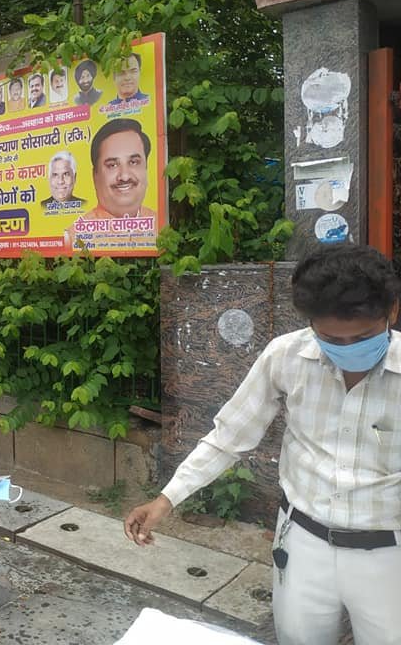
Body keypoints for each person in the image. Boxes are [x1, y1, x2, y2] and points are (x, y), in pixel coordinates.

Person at [125, 243, 401, 645]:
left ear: (390, 313)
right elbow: (228, 436)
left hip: (388, 551)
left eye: (361, 337)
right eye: (330, 339)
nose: (346, 352)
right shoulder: (286, 356)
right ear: (310, 324)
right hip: (304, 544)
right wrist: (166, 499)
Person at [83, 119, 157, 220]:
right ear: (95, 175)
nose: (125, 176)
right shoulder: (76, 234)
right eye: (112, 165)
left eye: (133, 162)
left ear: (146, 168)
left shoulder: (159, 225)